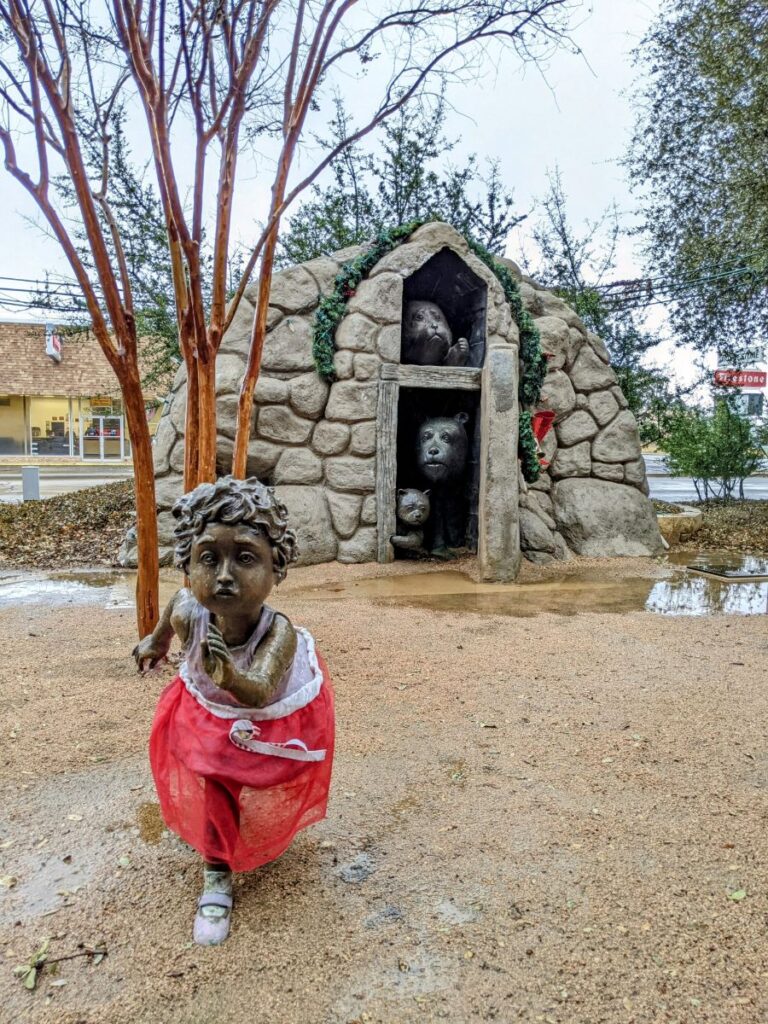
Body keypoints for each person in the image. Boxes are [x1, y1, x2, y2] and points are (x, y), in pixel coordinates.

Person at [133, 476, 334, 945]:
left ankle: (245, 836)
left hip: (263, 717)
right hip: (207, 714)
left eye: (245, 558)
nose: (224, 575)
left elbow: (261, 689)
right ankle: (217, 875)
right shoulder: (189, 610)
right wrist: (154, 643)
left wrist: (232, 678)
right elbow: (172, 614)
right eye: (209, 558)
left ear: (275, 568)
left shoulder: (278, 632)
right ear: (187, 563)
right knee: (216, 781)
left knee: (254, 778)